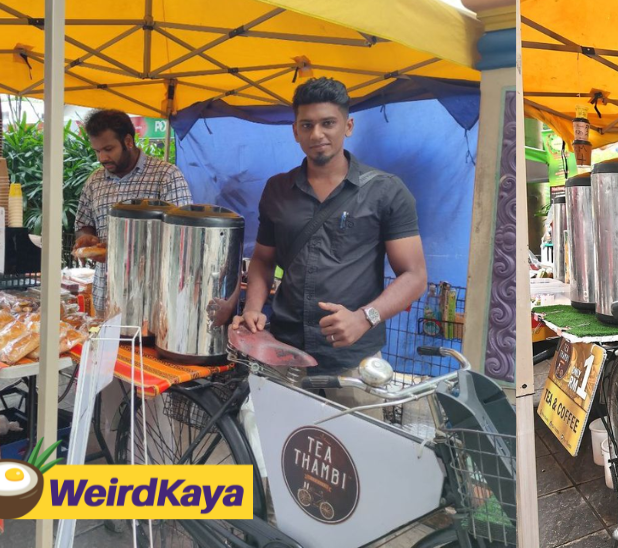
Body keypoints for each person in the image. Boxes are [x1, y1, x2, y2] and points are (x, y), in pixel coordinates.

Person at [232, 77, 427, 389]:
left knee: (351, 440)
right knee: (276, 436)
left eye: (328, 123)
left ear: (347, 126)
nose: (317, 134)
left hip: (353, 363)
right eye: (307, 125)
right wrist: (253, 308)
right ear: (295, 130)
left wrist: (365, 318)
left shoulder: (386, 191)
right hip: (284, 351)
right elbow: (263, 260)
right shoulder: (277, 189)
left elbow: (415, 276)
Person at [73, 109, 191, 316]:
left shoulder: (166, 176)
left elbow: (182, 240)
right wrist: (86, 239)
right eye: (97, 151)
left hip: (152, 302)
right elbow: (84, 223)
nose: (102, 157)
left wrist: (123, 252)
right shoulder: (95, 181)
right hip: (106, 297)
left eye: (108, 149)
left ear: (128, 141)